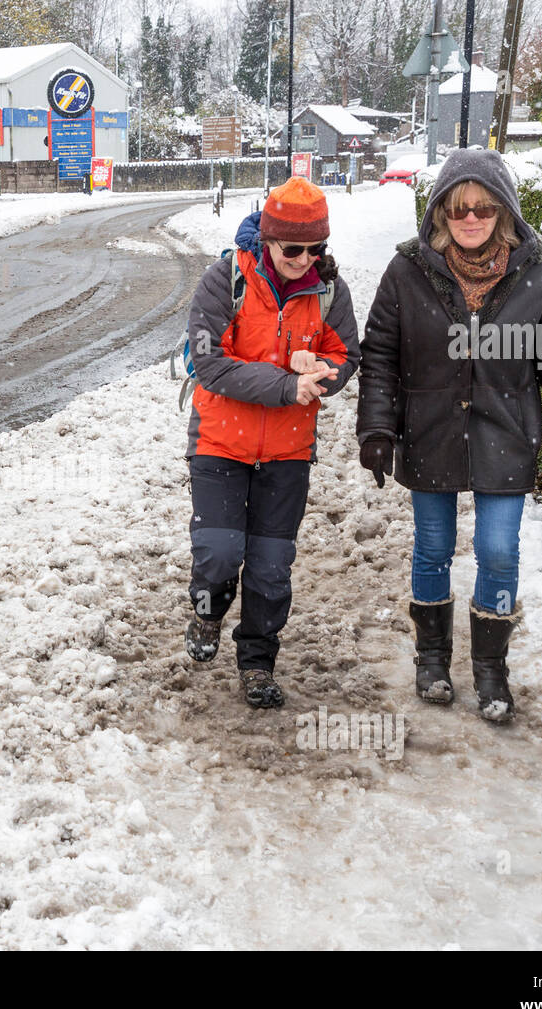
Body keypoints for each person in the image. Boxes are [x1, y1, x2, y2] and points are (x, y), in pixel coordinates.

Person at [356, 148, 542, 723]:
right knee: (434, 549)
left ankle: (492, 668)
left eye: (485, 208)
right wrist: (376, 429)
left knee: (498, 551)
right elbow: (381, 358)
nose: (472, 218)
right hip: (430, 431)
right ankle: (432, 657)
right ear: (443, 210)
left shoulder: (538, 271)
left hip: (506, 430)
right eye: (460, 207)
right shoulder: (407, 271)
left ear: (504, 213)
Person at [184, 177, 360, 708]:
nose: (304, 259)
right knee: (219, 552)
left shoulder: (328, 290)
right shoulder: (223, 280)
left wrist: (322, 369)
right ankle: (208, 610)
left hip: (287, 452)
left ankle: (257, 659)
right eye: (292, 248)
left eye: (315, 249)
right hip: (220, 442)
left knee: (270, 564)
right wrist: (287, 384)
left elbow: (348, 354)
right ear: (267, 239)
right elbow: (207, 361)